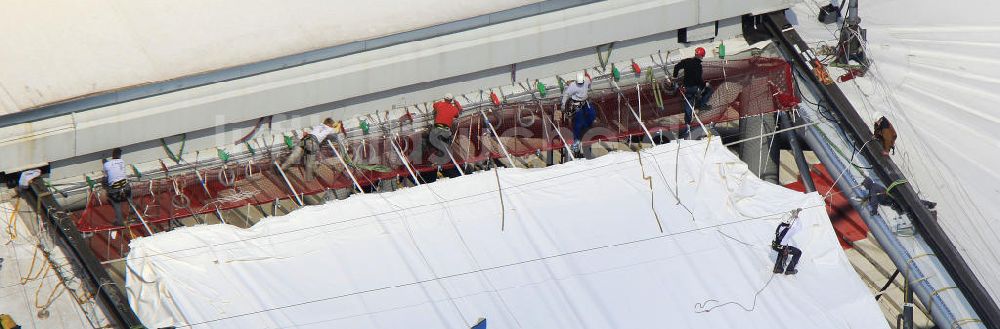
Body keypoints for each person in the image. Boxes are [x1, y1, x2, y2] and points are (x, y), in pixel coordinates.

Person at [672, 47, 714, 126]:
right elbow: (698, 79)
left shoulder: (687, 61)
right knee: (709, 90)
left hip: (686, 87)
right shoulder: (698, 66)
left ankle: (687, 123)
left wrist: (674, 77)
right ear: (702, 56)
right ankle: (702, 105)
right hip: (694, 88)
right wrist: (705, 84)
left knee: (689, 103)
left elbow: (676, 67)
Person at [560, 72, 597, 155]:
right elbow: (566, 94)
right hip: (577, 104)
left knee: (592, 114)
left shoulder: (586, 80)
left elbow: (589, 84)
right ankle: (577, 140)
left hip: (585, 102)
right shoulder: (573, 85)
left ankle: (587, 128)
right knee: (578, 123)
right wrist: (563, 104)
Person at [429, 93, 463, 166]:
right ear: (451, 100)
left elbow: (434, 105)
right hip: (446, 130)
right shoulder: (453, 109)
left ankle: (436, 154)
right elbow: (458, 113)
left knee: (433, 139)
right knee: (447, 143)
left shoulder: (439, 104)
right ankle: (442, 155)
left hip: (437, 128)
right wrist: (456, 103)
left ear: (444, 99)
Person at [103, 148, 131, 226]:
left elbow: (106, 178)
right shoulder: (122, 161)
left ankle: (120, 222)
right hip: (125, 187)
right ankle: (132, 208)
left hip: (115, 189)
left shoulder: (106, 165)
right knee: (129, 193)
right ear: (120, 155)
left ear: (112, 155)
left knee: (116, 203)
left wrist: (105, 188)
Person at [771, 208, 803, 275]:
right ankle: (790, 270)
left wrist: (792, 215)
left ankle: (778, 268)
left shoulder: (779, 226)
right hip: (782, 248)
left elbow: (787, 219)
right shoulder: (789, 230)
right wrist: (796, 217)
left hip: (775, 246)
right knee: (798, 252)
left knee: (782, 249)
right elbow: (799, 227)